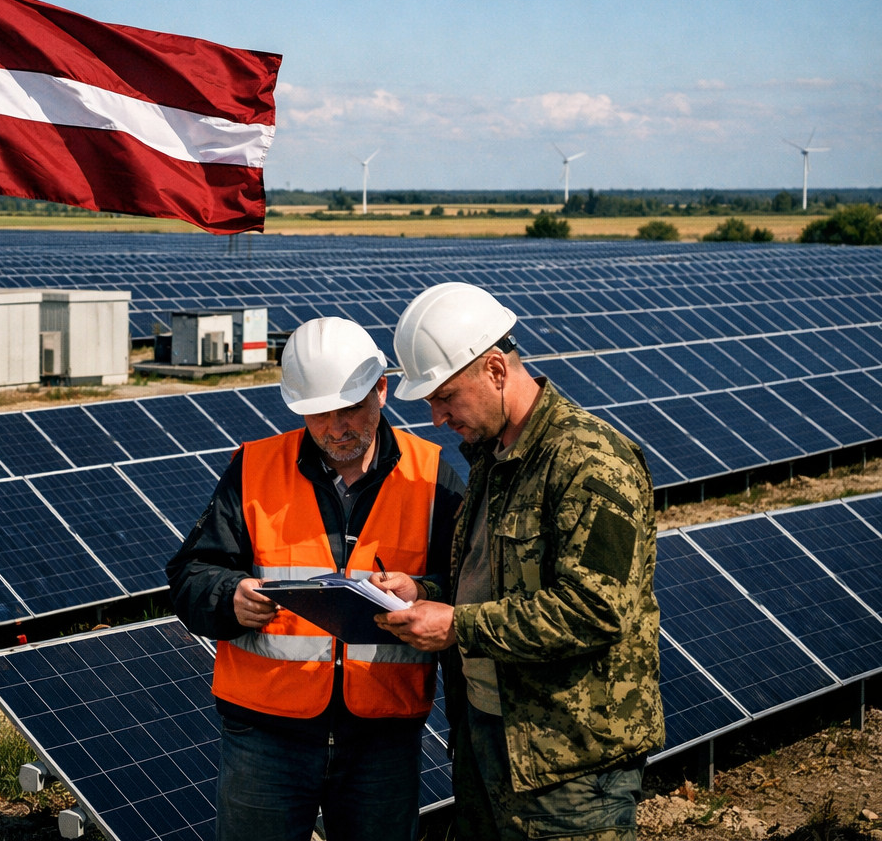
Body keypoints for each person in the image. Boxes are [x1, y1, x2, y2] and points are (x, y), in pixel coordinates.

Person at [376, 282, 663, 841]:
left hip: (571, 763)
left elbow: (594, 609)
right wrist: (425, 594)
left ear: (495, 370)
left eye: (445, 397)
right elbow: (500, 584)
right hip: (491, 738)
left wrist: (457, 626)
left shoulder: (588, 459)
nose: (436, 418)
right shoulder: (493, 457)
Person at [167, 317, 464, 841]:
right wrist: (229, 596)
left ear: (381, 390)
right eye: (318, 413)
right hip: (266, 733)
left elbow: (469, 588)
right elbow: (191, 574)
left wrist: (424, 591)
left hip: (383, 736)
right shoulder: (255, 467)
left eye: (349, 409)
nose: (335, 428)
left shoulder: (431, 474)